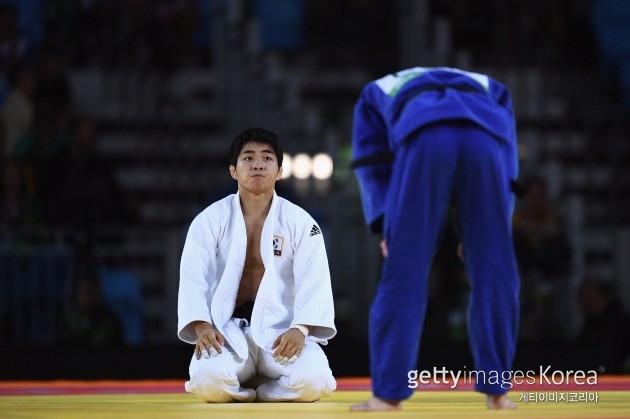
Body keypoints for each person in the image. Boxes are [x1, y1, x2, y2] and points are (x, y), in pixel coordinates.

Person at [349, 67, 520, 410]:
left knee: (405, 270)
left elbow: (371, 161)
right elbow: (508, 160)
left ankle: (387, 395)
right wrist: (492, 227)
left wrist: (386, 224)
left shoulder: (376, 89)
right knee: (495, 268)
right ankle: (498, 392)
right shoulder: (491, 85)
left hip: (424, 136)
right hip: (486, 139)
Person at [177, 127, 336, 403]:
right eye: (248, 158)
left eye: (267, 158)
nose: (258, 164)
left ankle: (261, 387)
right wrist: (202, 327)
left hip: (282, 330)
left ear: (279, 170)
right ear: (233, 171)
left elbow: (315, 281)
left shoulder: (302, 223)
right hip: (226, 330)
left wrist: (300, 330)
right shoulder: (209, 220)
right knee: (207, 382)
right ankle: (251, 384)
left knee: (315, 381)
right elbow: (194, 279)